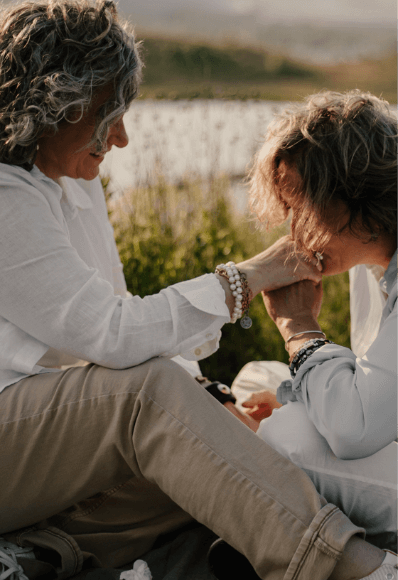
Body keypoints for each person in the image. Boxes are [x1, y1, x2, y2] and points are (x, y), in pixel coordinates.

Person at [0, 2, 394, 579]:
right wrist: (249, 277)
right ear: (54, 106)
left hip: (53, 437)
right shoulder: (7, 198)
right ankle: (353, 568)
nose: (124, 137)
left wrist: (209, 403)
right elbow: (112, 338)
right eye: (109, 114)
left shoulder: (69, 181)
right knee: (157, 399)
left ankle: (47, 549)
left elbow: (120, 338)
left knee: (217, 463)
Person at [231, 89, 397, 553]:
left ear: (355, 194)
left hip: (368, 428)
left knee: (285, 436)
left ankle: (334, 553)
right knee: (256, 379)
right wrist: (293, 394)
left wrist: (298, 327)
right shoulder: (374, 257)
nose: (295, 233)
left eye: (303, 206)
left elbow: (355, 427)